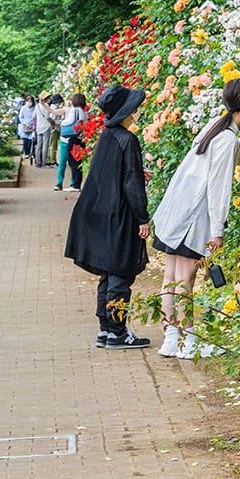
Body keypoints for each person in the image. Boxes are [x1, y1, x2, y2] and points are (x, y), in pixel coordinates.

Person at [149, 79, 240, 359]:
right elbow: (219, 185)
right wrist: (217, 230)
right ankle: (187, 340)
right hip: (192, 216)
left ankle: (172, 338)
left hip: (176, 208)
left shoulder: (216, 126)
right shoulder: (224, 137)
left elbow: (228, 158)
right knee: (185, 279)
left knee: (171, 276)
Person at [64, 84, 152, 349]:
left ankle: (107, 328)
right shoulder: (128, 139)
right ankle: (117, 331)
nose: (136, 112)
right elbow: (130, 184)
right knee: (120, 275)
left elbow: (116, 173)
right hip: (120, 216)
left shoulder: (107, 136)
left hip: (101, 213)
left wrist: (138, 170)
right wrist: (143, 217)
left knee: (109, 274)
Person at [56, 93, 89, 191]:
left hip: (73, 137)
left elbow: (70, 121)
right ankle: (76, 183)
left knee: (73, 161)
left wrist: (62, 123)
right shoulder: (83, 112)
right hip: (80, 137)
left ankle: (75, 185)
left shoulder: (74, 110)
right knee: (78, 161)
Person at [34, 95, 54, 167]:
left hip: (39, 127)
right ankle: (44, 163)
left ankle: (37, 162)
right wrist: (52, 122)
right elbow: (48, 117)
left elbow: (34, 116)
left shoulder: (37, 106)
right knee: (45, 145)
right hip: (46, 127)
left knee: (39, 145)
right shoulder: (46, 106)